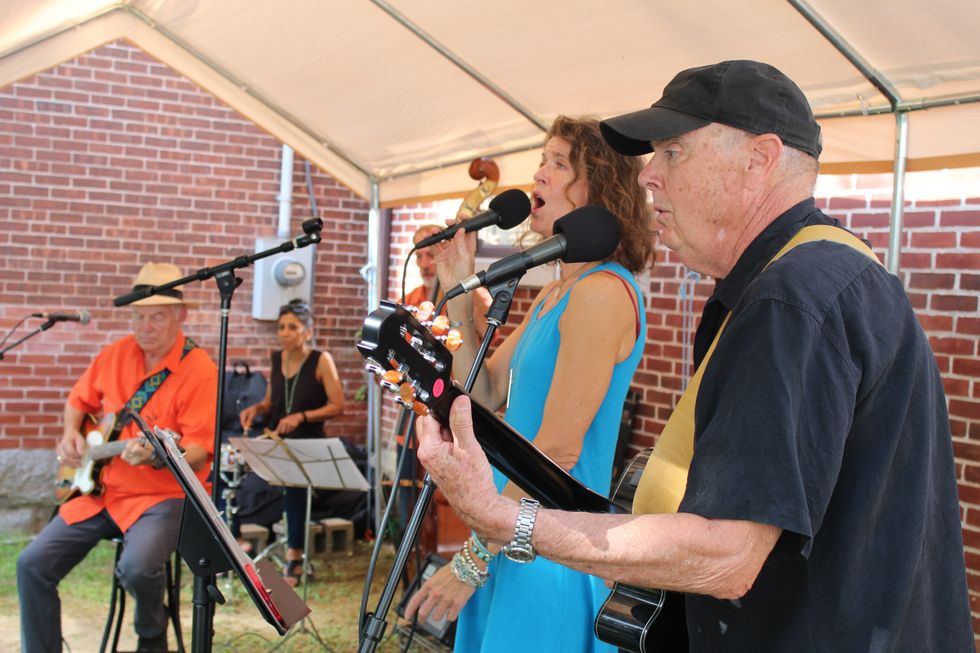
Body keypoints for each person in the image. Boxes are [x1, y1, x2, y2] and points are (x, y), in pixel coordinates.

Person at [410, 61, 974, 652]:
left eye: (672, 152)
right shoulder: (814, 273)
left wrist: (503, 523)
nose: (648, 175)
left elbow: (726, 555)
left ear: (760, 158)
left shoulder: (790, 298)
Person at [406, 115, 654, 653]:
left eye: (557, 163)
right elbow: (489, 389)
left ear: (598, 190)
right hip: (507, 532)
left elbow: (559, 450)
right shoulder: (556, 290)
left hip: (545, 547)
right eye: (542, 160)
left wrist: (473, 557)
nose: (537, 175)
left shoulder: (603, 292)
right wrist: (456, 285)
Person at [17, 262, 218, 653]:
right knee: (31, 565)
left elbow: (198, 450)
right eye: (138, 316)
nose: (146, 326)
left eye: (157, 316)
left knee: (138, 567)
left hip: (164, 498)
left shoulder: (200, 370)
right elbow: (78, 400)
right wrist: (70, 433)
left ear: (182, 315)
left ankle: (151, 637)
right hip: (101, 494)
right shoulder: (114, 354)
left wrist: (158, 457)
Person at [239, 298, 346, 586]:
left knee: (295, 492)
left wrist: (302, 416)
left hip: (307, 444)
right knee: (238, 476)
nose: (285, 333)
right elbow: (271, 401)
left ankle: (294, 557)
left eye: (292, 327)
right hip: (278, 439)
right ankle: (238, 542)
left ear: (307, 332)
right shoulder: (278, 358)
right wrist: (257, 409)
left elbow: (338, 406)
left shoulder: (321, 360)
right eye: (281, 327)